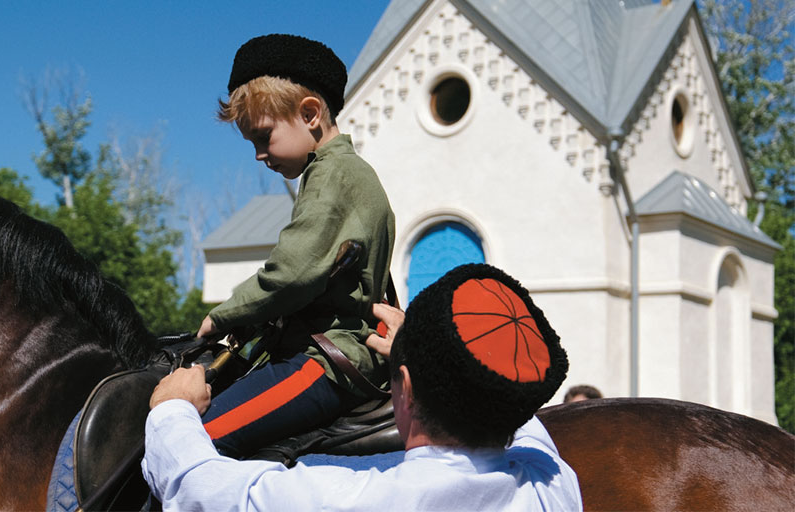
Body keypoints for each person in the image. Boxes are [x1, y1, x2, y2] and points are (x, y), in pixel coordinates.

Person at [143, 264, 582, 511]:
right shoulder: (554, 486)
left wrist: (172, 408)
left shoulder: (355, 501)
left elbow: (198, 487)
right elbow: (526, 425)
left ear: (405, 389)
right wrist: (425, 352)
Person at [194, 33, 396, 457]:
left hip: (326, 361)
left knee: (192, 443)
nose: (258, 155)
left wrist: (223, 316)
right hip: (321, 351)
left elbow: (293, 272)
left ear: (309, 114)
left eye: (263, 137)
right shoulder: (341, 174)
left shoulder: (335, 175)